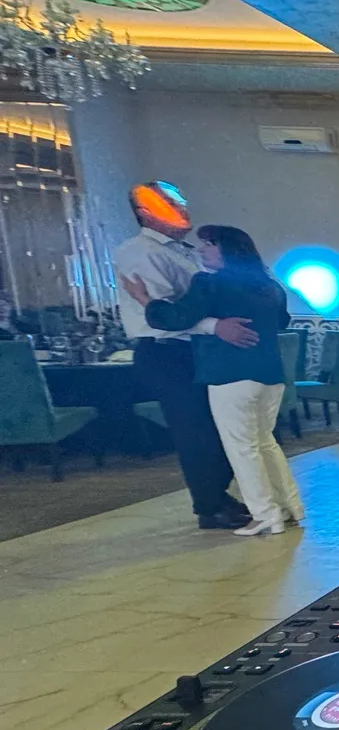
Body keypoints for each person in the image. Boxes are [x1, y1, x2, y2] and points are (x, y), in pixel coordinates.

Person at [121, 225, 303, 537]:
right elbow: (282, 320)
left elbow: (174, 318)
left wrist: (144, 298)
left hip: (229, 375)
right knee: (265, 443)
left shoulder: (210, 284)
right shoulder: (271, 287)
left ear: (226, 249)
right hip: (270, 375)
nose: (201, 250)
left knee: (242, 448)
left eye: (208, 245)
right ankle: (289, 507)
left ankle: (264, 514)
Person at [112, 181, 257, 530]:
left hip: (197, 350)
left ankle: (218, 495)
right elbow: (165, 314)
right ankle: (210, 506)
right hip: (167, 352)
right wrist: (215, 326)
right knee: (196, 431)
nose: (182, 210)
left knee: (218, 426)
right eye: (171, 204)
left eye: (181, 202)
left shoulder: (186, 251)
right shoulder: (139, 252)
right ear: (145, 213)